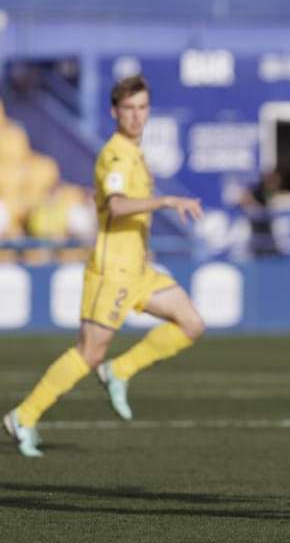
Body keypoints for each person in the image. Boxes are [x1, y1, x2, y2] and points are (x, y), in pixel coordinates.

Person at [3, 75, 206, 458]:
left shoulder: (134, 153)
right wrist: (164, 203)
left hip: (139, 270)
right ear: (114, 112)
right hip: (112, 271)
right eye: (128, 109)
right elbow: (115, 205)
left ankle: (121, 371)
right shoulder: (115, 154)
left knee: (191, 323)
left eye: (142, 108)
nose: (135, 116)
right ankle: (23, 416)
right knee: (89, 352)